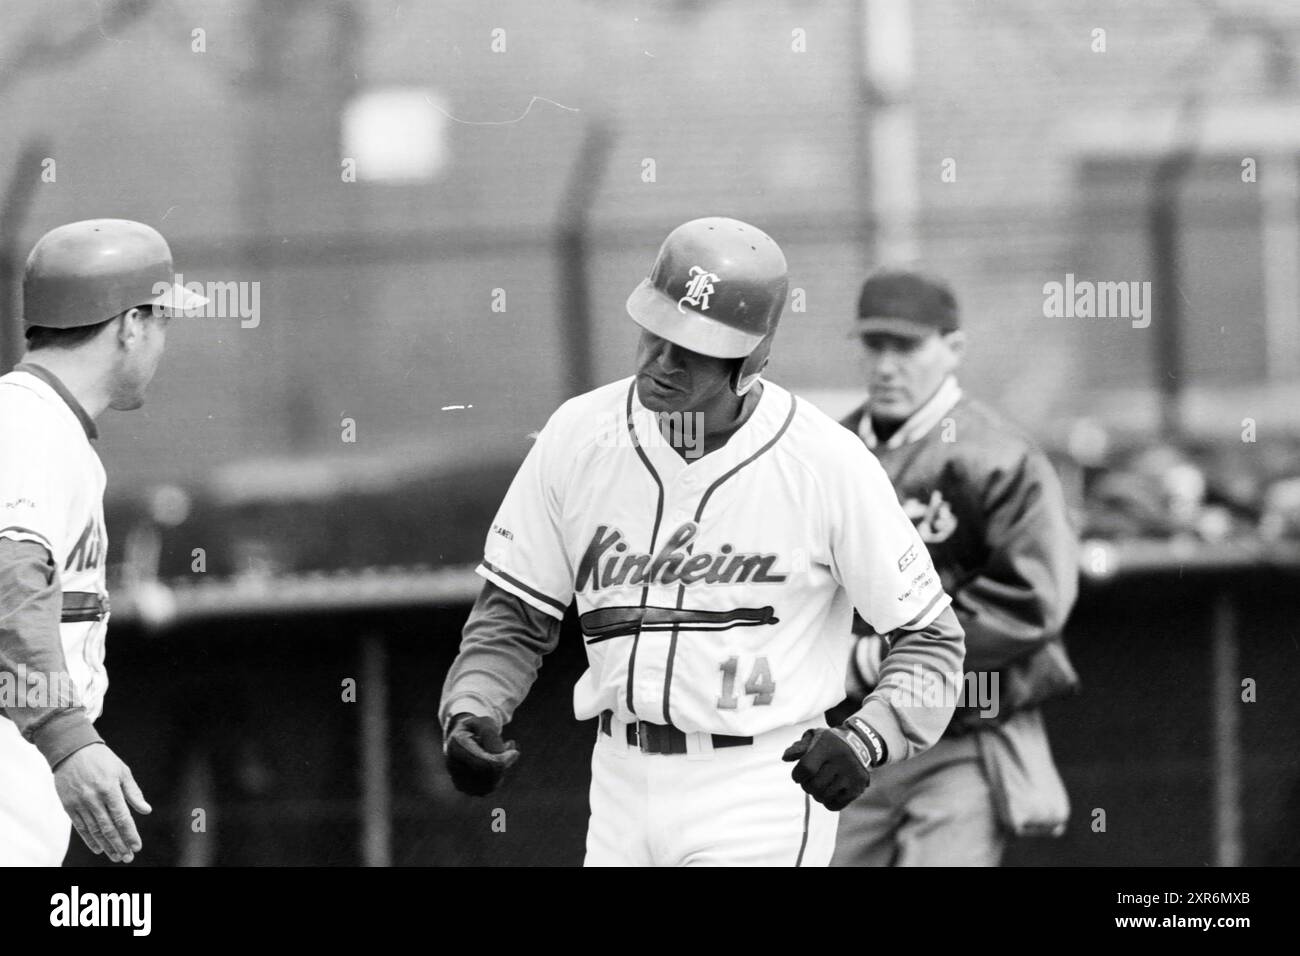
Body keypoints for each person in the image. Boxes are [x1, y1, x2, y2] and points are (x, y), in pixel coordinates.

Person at [438, 218, 965, 866]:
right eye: (655, 332)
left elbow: (932, 641)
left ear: (747, 362)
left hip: (758, 782)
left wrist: (869, 736)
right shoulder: (578, 435)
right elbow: (515, 613)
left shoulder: (825, 463)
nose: (660, 360)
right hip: (619, 777)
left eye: (690, 346)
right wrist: (474, 705)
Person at [831, 268, 1080, 867]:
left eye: (907, 345)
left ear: (954, 349)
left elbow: (1031, 601)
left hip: (961, 733)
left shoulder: (999, 455)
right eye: (874, 344)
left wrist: (875, 658)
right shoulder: (830, 450)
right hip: (849, 741)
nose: (886, 365)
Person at [0, 218, 206, 865]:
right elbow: (8, 576)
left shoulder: (42, 425)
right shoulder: (27, 427)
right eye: (162, 319)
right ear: (129, 325)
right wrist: (68, 739)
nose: (160, 341)